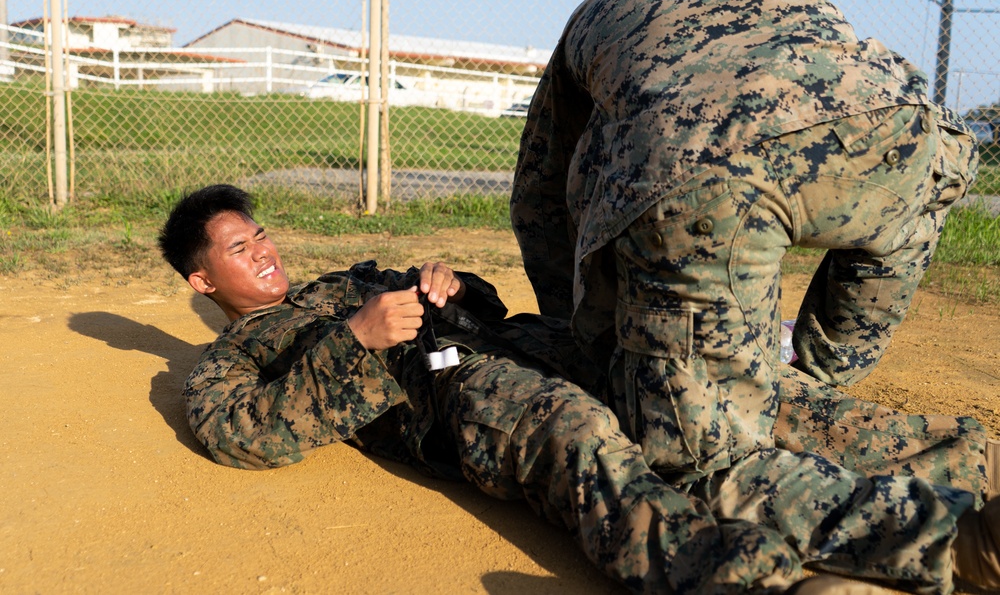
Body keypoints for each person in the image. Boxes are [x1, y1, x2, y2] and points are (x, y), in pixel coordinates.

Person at [159, 184, 1000, 594]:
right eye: (239, 247)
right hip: (454, 391)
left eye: (261, 232)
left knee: (710, 401)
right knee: (581, 435)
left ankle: (971, 496)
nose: (263, 250)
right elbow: (241, 431)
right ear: (203, 279)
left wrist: (453, 285)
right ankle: (774, 581)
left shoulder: (350, 272)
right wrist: (355, 339)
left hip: (534, 342)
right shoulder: (234, 357)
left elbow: (483, 305)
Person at [511, 0, 982, 519]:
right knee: (806, 384)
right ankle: (974, 460)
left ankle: (940, 539)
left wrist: (577, 339)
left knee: (696, 462)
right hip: (906, 138)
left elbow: (540, 195)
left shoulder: (592, 23)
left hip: (706, 171)